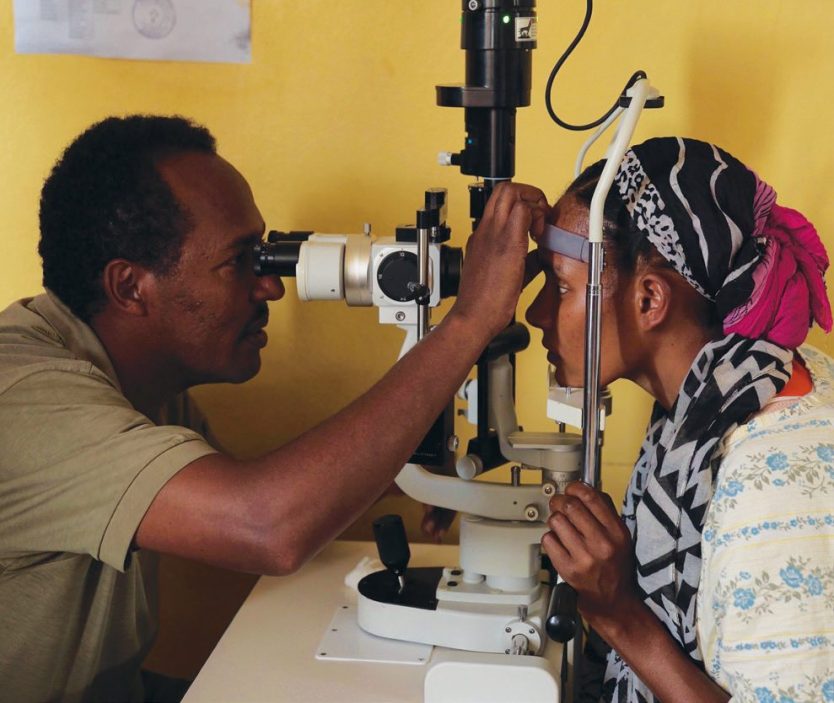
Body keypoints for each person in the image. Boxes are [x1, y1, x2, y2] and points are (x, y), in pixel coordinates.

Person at [0, 114, 549, 703]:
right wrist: (467, 322)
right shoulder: (31, 399)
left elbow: (234, 499)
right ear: (131, 287)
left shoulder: (141, 386)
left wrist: (408, 473)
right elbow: (263, 524)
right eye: (240, 261)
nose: (271, 287)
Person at [529, 136, 834, 702]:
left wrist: (618, 614)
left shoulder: (769, 485)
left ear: (649, 301)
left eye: (562, 287)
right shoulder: (731, 389)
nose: (536, 313)